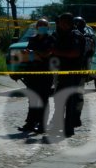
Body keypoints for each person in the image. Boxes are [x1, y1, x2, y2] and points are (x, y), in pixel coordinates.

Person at [45, 13, 87, 142]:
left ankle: (68, 128)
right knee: (58, 100)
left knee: (70, 102)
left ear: (68, 23)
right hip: (62, 72)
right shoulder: (61, 35)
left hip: (72, 73)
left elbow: (75, 53)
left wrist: (57, 52)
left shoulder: (75, 35)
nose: (59, 24)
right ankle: (58, 125)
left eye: (62, 22)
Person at [18, 19, 55, 133]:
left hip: (45, 73)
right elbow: (28, 55)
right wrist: (31, 54)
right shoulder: (33, 39)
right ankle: (30, 123)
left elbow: (47, 54)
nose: (41, 27)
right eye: (39, 25)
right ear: (36, 27)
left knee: (43, 99)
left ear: (48, 27)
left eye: (44, 25)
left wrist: (34, 52)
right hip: (32, 73)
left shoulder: (51, 39)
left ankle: (42, 125)